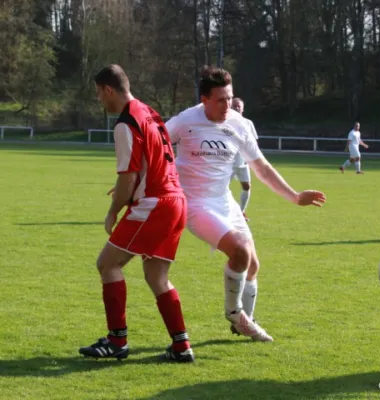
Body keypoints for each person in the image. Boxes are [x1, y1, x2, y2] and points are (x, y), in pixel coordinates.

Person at [165, 66, 326, 342]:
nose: (227, 105)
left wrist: (296, 197)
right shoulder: (184, 121)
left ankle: (244, 323)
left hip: (224, 200)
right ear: (204, 99)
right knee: (239, 251)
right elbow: (155, 146)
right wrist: (136, 180)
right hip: (195, 204)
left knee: (252, 265)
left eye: (230, 98)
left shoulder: (237, 123)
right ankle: (235, 313)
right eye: (220, 100)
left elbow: (261, 167)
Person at [79, 64, 194, 363]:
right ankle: (181, 346)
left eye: (98, 94)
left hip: (155, 204)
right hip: (176, 200)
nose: (99, 101)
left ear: (108, 89)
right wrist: (128, 189)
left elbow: (128, 178)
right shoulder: (150, 112)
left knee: (107, 265)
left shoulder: (125, 122)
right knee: (157, 276)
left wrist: (112, 211)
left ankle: (117, 341)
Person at [231, 97, 257, 221]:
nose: (236, 108)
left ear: (242, 109)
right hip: (227, 162)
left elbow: (253, 143)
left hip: (243, 162)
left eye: (238, 106)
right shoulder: (224, 122)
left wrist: (252, 159)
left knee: (247, 187)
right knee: (221, 188)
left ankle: (241, 212)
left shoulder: (248, 123)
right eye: (234, 105)